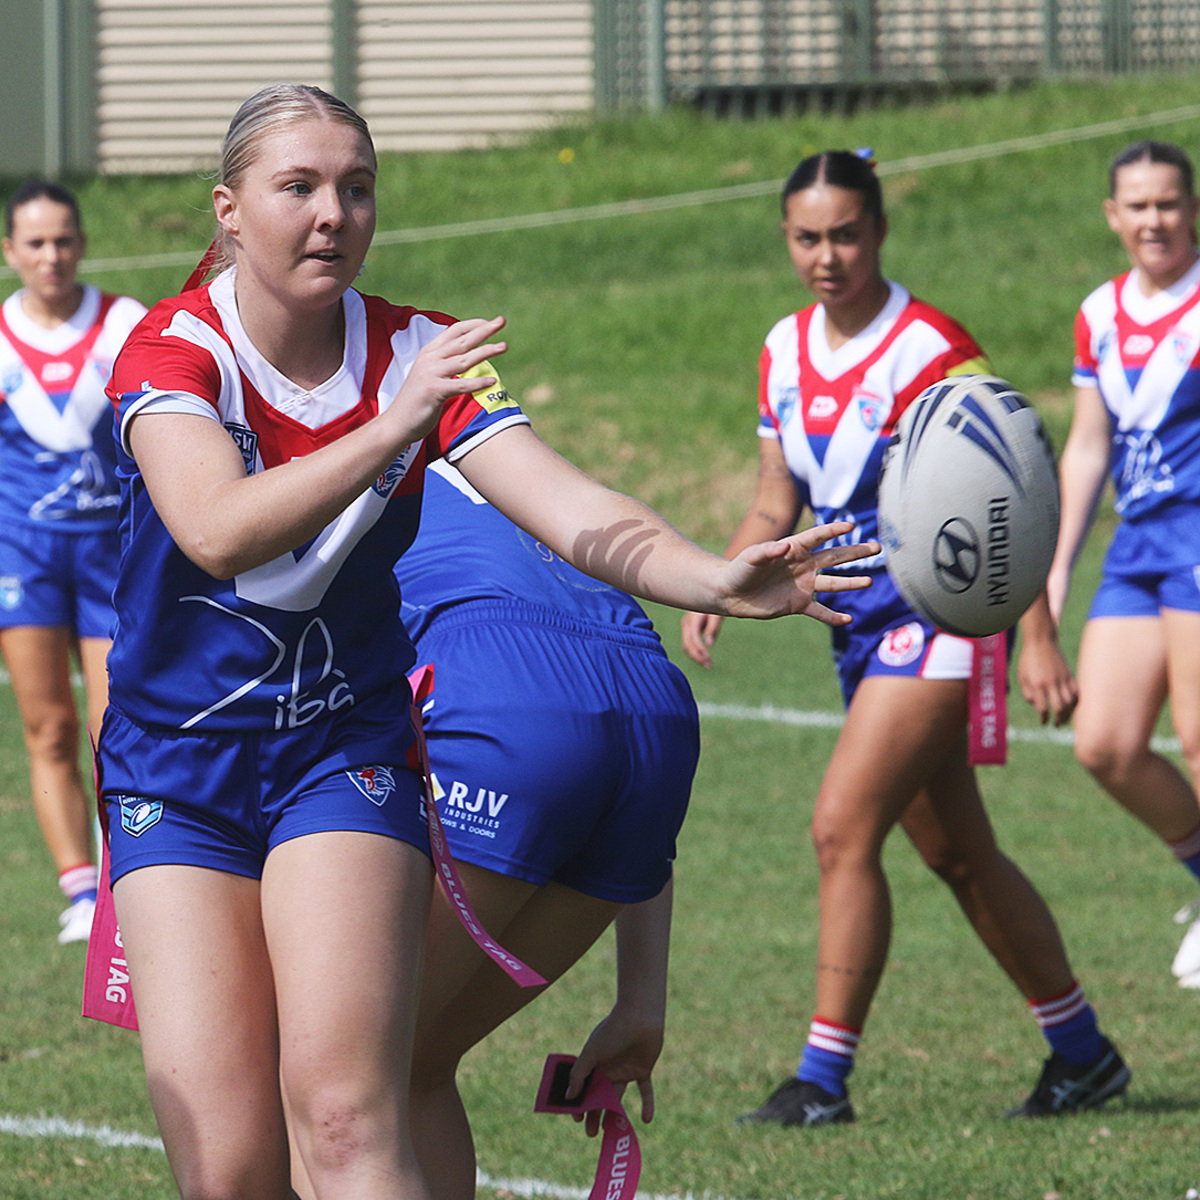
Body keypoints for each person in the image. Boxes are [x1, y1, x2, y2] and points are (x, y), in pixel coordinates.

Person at [98, 86, 877, 1200]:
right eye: (300, 187)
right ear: (229, 210)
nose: (334, 213)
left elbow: (570, 506)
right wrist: (393, 426)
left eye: (356, 189)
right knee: (228, 1170)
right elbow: (218, 532)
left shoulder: (415, 350)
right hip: (176, 772)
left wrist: (710, 572)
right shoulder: (170, 351)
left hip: (341, 756)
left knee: (345, 1113)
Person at [681, 149, 1129, 1127]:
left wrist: (1038, 634)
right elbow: (774, 497)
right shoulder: (784, 349)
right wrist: (721, 574)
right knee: (960, 855)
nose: (828, 256)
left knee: (841, 826)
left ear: (879, 231)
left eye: (846, 233)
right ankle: (1083, 1052)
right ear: (787, 240)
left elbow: (1012, 496)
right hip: (854, 631)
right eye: (808, 237)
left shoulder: (932, 346)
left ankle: (821, 1082)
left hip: (941, 626)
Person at [385, 461, 695, 1200]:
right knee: (415, 1067)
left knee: (338, 1076)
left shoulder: (337, 456)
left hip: (506, 696)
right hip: (657, 715)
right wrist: (641, 1000)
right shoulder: (505, 457)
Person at [1045, 139, 1200, 989]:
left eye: (1168, 203)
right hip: (1136, 544)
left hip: (1199, 538)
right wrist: (1058, 564)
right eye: (1136, 206)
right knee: (1103, 743)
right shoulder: (1099, 311)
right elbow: (1088, 445)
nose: (1153, 220)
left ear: (1194, 209)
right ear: (1112, 216)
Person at [0, 181, 146, 944]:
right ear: (10, 252)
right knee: (48, 725)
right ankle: (78, 891)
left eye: (63, 240)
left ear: (81, 242)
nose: (51, 257)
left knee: (111, 723)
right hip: (22, 559)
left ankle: (131, 882)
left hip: (110, 559)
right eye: (35, 243)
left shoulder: (125, 324)